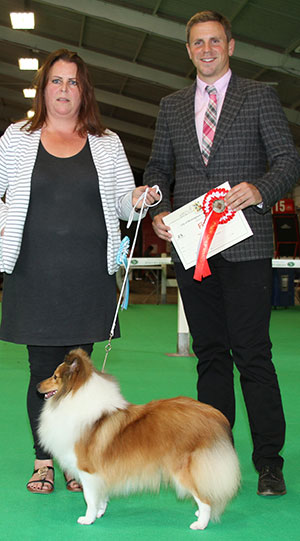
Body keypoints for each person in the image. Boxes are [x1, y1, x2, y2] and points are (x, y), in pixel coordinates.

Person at [143, 11, 300, 496]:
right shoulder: (171, 105)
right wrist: (159, 212)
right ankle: (214, 453)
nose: (206, 49)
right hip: (193, 249)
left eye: (214, 41)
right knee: (210, 355)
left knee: (253, 353)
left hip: (247, 243)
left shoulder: (260, 96)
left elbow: (289, 160)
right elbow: (157, 167)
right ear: (188, 50)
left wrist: (260, 188)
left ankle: (268, 462)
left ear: (230, 46)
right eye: (197, 43)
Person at [0, 49, 159, 494]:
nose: (64, 90)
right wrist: (4, 224)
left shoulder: (107, 142)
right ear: (43, 87)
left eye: (72, 82)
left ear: (83, 90)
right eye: (56, 81)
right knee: (40, 372)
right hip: (33, 272)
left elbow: (124, 200)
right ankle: (42, 461)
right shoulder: (16, 137)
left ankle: (73, 460)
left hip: (87, 275)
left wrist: (142, 197)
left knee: (78, 374)